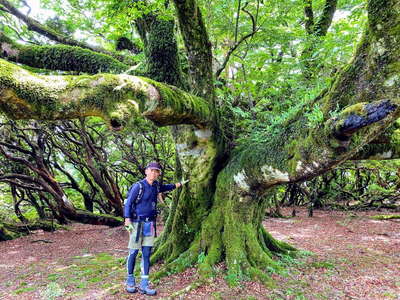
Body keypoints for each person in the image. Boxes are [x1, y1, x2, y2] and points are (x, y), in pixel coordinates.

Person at [124, 161, 188, 295]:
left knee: (147, 254)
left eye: (156, 171)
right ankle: (130, 280)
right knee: (133, 252)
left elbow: (166, 187)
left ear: (158, 174)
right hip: (136, 224)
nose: (154, 173)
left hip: (150, 225)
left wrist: (180, 184)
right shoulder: (138, 186)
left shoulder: (156, 186)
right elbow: (128, 203)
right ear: (146, 171)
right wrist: (127, 219)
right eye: (152, 170)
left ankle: (144, 284)